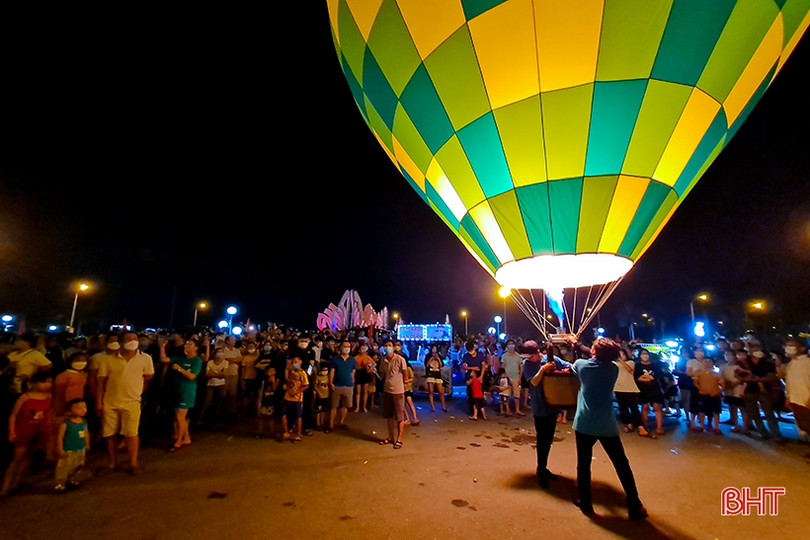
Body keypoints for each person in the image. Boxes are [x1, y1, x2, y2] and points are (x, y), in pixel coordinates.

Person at [571, 338, 647, 520]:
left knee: (584, 464)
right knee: (621, 464)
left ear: (594, 352)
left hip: (585, 423)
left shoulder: (582, 366)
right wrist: (578, 344)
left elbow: (578, 364)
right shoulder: (612, 369)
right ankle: (634, 503)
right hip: (607, 425)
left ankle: (586, 502)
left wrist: (575, 345)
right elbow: (594, 354)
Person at [97, 332, 155, 474]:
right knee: (110, 434)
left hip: (132, 402)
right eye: (129, 339)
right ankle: (112, 462)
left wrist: (136, 386)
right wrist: (99, 402)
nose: (133, 341)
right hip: (110, 401)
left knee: (131, 434)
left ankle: (133, 463)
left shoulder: (145, 358)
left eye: (135, 339)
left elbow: (148, 376)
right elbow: (101, 382)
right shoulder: (108, 359)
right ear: (121, 342)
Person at [524, 340, 571, 488]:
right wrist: (543, 369)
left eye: (530, 356)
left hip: (552, 405)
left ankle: (543, 467)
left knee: (548, 439)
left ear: (538, 352)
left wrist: (564, 371)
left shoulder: (552, 359)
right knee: (542, 439)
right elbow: (533, 382)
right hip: (539, 406)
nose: (528, 359)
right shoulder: (528, 365)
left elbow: (570, 366)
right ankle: (541, 469)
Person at [1, 371, 53, 496]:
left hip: (40, 432)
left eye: (49, 382)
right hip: (24, 431)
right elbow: (13, 415)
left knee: (28, 458)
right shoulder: (25, 397)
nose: (47, 385)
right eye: (43, 382)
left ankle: (16, 483)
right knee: (17, 459)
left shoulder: (49, 397)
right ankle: (5, 487)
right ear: (33, 383)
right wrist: (12, 431)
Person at [159, 337, 203, 451]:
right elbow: (164, 359)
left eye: (190, 345)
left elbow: (192, 376)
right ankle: (186, 438)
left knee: (180, 417)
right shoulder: (181, 358)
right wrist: (162, 347)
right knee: (179, 416)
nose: (186, 346)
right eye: (186, 344)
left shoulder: (197, 360)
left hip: (187, 391)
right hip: (178, 390)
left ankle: (179, 440)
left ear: (196, 348)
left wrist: (179, 369)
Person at [48, 352, 89, 462]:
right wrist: (62, 410)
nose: (81, 362)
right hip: (64, 410)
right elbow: (58, 394)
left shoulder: (82, 375)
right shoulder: (63, 376)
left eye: (83, 359)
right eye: (78, 359)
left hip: (76, 409)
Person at [742, 343, 782, 440]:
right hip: (749, 390)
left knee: (769, 412)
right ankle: (762, 432)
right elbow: (741, 376)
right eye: (755, 350)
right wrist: (759, 379)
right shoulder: (744, 363)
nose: (757, 352)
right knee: (754, 413)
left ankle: (776, 434)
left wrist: (754, 380)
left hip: (764, 391)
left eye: (759, 350)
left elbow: (771, 377)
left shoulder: (768, 363)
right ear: (750, 352)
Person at [54, 398, 90, 493]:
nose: (83, 410)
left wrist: (87, 444)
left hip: (80, 449)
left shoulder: (83, 422)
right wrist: (60, 449)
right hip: (69, 450)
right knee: (64, 466)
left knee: (78, 465)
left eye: (84, 407)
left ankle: (71, 479)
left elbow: (86, 433)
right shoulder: (66, 424)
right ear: (70, 410)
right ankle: (60, 483)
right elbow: (60, 437)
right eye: (79, 408)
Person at [378, 340, 407, 449]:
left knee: (399, 417)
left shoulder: (400, 359)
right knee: (389, 416)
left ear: (394, 347)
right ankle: (391, 436)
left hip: (398, 391)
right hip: (387, 391)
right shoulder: (383, 360)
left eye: (389, 345)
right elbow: (382, 375)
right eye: (385, 345)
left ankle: (399, 439)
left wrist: (403, 385)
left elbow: (405, 374)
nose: (387, 347)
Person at [7, 333, 52, 398]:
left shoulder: (34, 354)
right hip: (9, 386)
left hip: (22, 388)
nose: (15, 342)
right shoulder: (12, 354)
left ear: (27, 342)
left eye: (18, 340)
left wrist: (31, 376)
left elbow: (48, 366)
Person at [634, 349, 665, 438]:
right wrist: (647, 378)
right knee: (645, 407)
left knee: (657, 407)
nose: (645, 355)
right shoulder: (637, 366)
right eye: (643, 354)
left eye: (646, 354)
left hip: (655, 389)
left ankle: (659, 428)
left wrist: (645, 377)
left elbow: (654, 377)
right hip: (643, 390)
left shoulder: (655, 365)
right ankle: (644, 427)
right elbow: (637, 378)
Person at [783, 339, 810, 438]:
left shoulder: (807, 362)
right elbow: (789, 383)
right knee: (804, 426)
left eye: (792, 347)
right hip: (795, 400)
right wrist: (788, 398)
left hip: (806, 400)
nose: (788, 349)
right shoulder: (791, 364)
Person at [692, 354, 724, 434]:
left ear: (713, 363)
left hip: (715, 395)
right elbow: (696, 383)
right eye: (705, 361)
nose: (707, 363)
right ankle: (701, 426)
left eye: (709, 362)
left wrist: (717, 392)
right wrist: (701, 389)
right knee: (701, 410)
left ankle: (716, 427)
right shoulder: (698, 373)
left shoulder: (717, 374)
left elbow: (723, 386)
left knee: (716, 412)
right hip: (703, 394)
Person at [720, 350, 750, 433]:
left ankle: (745, 426)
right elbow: (721, 378)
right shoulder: (724, 367)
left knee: (742, 407)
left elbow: (747, 374)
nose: (728, 356)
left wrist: (738, 381)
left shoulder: (739, 366)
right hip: (728, 389)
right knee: (732, 407)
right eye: (726, 354)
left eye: (730, 354)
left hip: (739, 389)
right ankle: (736, 425)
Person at [329, 340, 355, 431]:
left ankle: (341, 422)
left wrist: (352, 382)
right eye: (345, 346)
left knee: (345, 406)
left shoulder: (352, 359)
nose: (347, 348)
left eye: (348, 346)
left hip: (348, 385)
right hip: (337, 385)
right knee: (334, 406)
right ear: (340, 348)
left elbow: (353, 372)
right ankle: (331, 424)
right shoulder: (335, 359)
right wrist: (330, 382)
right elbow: (332, 371)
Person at [613, 348, 642, 433]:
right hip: (618, 388)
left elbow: (629, 369)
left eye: (622, 354)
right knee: (623, 408)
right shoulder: (614, 364)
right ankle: (629, 424)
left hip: (630, 388)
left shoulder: (631, 362)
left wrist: (621, 361)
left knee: (634, 408)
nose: (621, 356)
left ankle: (639, 425)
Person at [281, 355, 308, 442]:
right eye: (293, 362)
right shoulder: (291, 371)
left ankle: (299, 434)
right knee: (284, 414)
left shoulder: (303, 373)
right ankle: (286, 432)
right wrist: (287, 382)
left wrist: (296, 392)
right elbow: (286, 370)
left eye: (296, 362)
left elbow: (306, 385)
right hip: (287, 396)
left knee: (298, 416)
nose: (294, 364)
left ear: (300, 362)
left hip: (297, 398)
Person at [199, 348, 229, 425]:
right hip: (211, 384)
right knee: (207, 401)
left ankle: (217, 418)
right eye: (219, 352)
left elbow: (223, 375)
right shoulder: (210, 362)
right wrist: (218, 374)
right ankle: (201, 417)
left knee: (220, 401)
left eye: (222, 352)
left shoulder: (225, 362)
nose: (220, 353)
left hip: (221, 384)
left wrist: (213, 373)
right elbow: (207, 374)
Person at [501, 339, 525, 416]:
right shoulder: (504, 356)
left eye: (512, 344)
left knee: (517, 395)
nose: (511, 345)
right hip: (507, 377)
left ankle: (517, 410)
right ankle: (507, 410)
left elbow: (521, 367)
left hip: (516, 377)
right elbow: (503, 366)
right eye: (509, 344)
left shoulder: (518, 356)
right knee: (506, 394)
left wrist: (520, 378)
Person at [256, 367, 279, 439]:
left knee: (271, 417)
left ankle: (271, 432)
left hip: (271, 401)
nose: (271, 373)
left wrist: (273, 381)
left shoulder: (276, 380)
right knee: (261, 417)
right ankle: (260, 432)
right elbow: (260, 391)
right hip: (264, 401)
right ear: (266, 373)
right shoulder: (263, 381)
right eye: (270, 371)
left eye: (273, 371)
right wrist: (259, 402)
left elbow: (275, 389)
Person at [461, 341, 483, 415]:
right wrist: (473, 368)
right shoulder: (466, 356)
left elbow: (483, 366)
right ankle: (472, 410)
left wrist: (481, 376)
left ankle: (479, 410)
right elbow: (464, 366)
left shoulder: (480, 355)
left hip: (478, 377)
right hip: (470, 377)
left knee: (480, 394)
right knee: (471, 394)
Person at [424, 345, 447, 412]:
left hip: (437, 374)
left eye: (435, 349)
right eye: (433, 348)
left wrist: (438, 359)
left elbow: (441, 365)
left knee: (441, 391)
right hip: (430, 374)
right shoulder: (428, 356)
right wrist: (431, 358)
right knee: (431, 390)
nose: (434, 350)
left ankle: (443, 406)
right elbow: (426, 365)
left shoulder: (439, 356)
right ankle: (432, 407)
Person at [353, 342, 373, 413]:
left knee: (365, 392)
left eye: (364, 348)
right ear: (359, 350)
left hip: (365, 373)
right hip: (358, 373)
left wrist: (370, 369)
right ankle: (357, 407)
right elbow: (354, 368)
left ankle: (364, 407)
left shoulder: (367, 357)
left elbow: (374, 364)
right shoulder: (355, 358)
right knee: (358, 392)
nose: (363, 350)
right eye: (362, 348)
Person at [314, 364, 331, 432]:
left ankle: (322, 422)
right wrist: (318, 393)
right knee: (318, 410)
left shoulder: (327, 377)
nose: (325, 371)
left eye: (326, 370)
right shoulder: (318, 377)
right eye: (324, 370)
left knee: (324, 410)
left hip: (326, 396)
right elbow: (315, 386)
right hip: (320, 396)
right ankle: (318, 423)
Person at [404, 360, 420, 425]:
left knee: (409, 402)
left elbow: (412, 378)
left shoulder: (408, 368)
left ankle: (415, 417)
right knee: (403, 405)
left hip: (407, 388)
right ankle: (407, 419)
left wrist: (406, 381)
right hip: (401, 388)